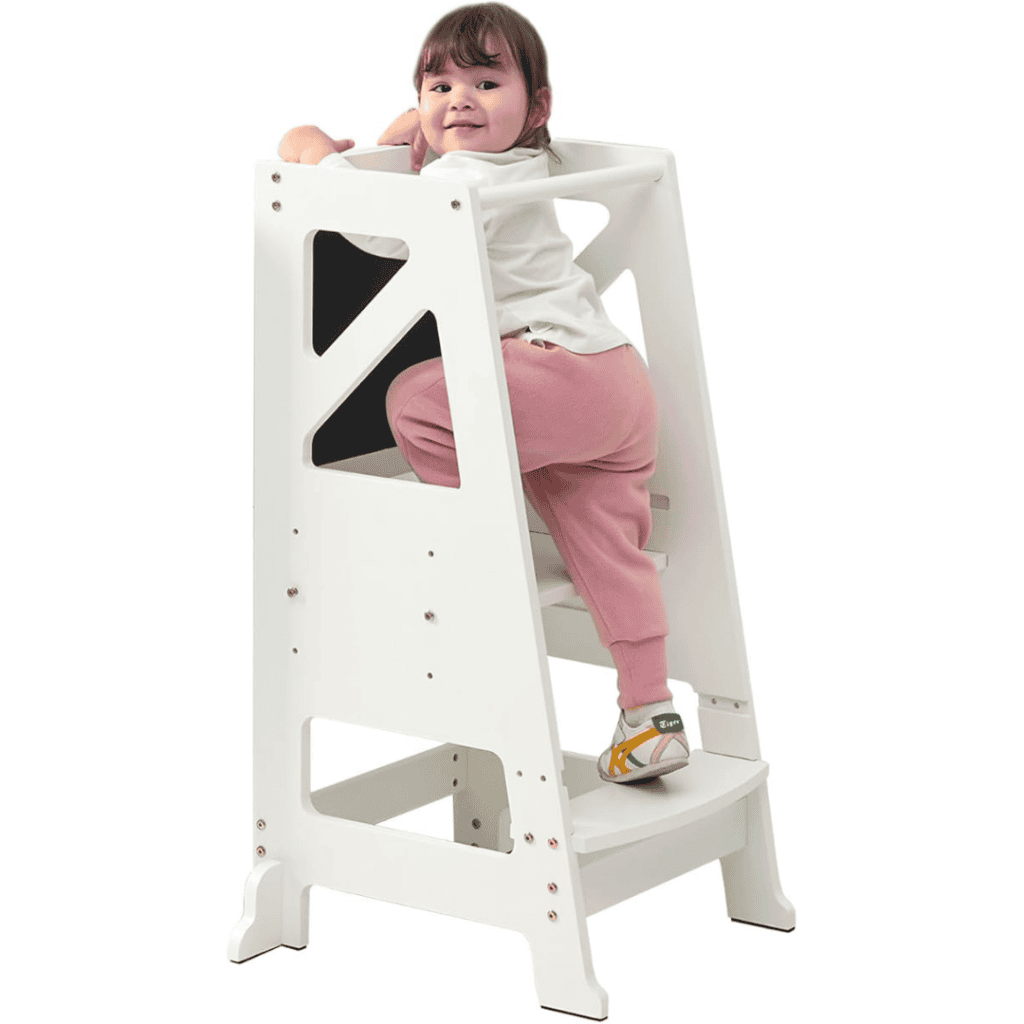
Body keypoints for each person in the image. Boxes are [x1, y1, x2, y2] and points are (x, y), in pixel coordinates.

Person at [278, 3, 689, 783]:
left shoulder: (465, 178)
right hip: (612, 385)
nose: (459, 98)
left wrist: (309, 151)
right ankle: (650, 712)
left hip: (553, 376)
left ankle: (479, 526)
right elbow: (443, 162)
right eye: (439, 85)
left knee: (416, 401)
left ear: (536, 108)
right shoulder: (531, 162)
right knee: (611, 554)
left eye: (486, 82)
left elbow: (374, 227)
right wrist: (422, 131)